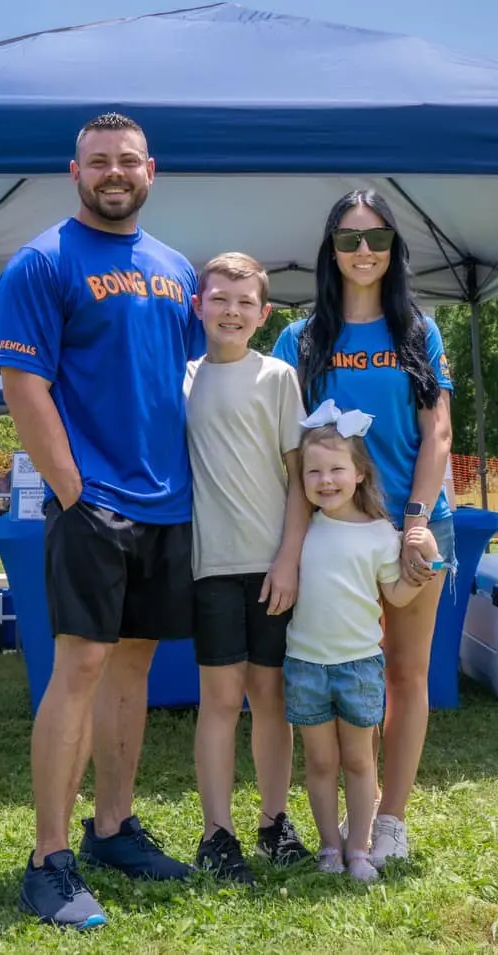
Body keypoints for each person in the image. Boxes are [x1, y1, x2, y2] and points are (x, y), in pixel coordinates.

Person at [0, 112, 203, 931]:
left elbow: (189, 369)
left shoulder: (174, 267)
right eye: (98, 162)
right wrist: (74, 489)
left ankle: (113, 826)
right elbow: (24, 382)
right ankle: (49, 858)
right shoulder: (40, 263)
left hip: (170, 503)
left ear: (151, 169)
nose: (113, 172)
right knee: (77, 668)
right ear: (73, 171)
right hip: (95, 505)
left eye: (127, 161)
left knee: (133, 669)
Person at [272, 189, 454, 867]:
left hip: (414, 525)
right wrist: (289, 551)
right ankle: (332, 826)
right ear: (330, 250)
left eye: (375, 238)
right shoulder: (300, 339)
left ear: (393, 247)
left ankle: (388, 821)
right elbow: (292, 457)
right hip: (330, 539)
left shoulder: (418, 332)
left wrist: (413, 522)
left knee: (405, 674)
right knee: (334, 667)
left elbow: (437, 430)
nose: (363, 252)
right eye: (348, 240)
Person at [183, 252, 312, 883]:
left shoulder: (280, 377)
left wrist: (289, 559)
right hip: (211, 566)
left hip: (273, 567)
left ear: (262, 314)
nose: (230, 312)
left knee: (271, 696)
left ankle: (272, 820)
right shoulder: (181, 380)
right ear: (198, 305)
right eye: (219, 300)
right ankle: (217, 833)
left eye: (244, 303)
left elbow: (300, 477)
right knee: (220, 699)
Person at [284, 404, 440, 881]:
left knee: (357, 760)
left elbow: (395, 593)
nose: (325, 480)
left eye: (336, 469)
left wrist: (427, 561)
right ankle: (328, 848)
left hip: (359, 668)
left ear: (359, 474)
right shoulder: (298, 532)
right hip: (305, 666)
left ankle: (359, 849)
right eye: (314, 471)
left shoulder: (380, 535)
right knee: (320, 761)